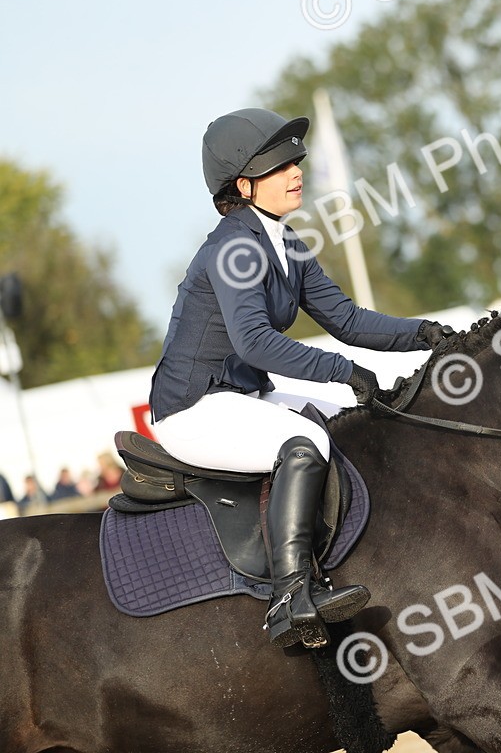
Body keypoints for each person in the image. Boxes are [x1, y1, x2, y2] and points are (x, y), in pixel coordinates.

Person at [148, 108, 454, 649]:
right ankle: (291, 596)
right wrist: (342, 370)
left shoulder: (286, 244)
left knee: (354, 417)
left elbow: (349, 321)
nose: (296, 170)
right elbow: (255, 343)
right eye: (279, 165)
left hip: (241, 394)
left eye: (296, 160)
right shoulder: (235, 248)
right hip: (194, 406)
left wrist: (427, 333)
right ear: (243, 186)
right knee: (307, 438)